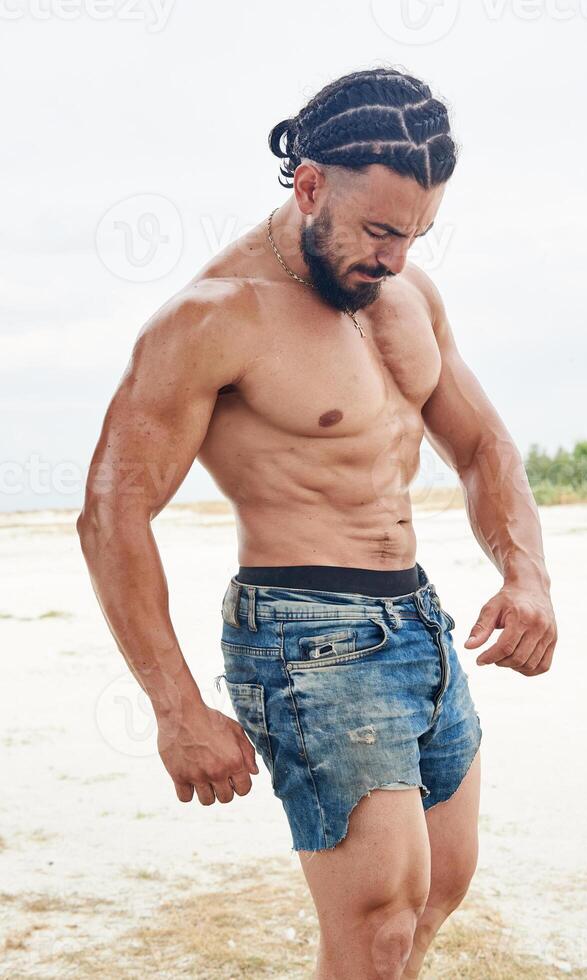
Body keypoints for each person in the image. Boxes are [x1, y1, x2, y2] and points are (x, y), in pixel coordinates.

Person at [77, 67, 557, 980]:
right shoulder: (213, 317)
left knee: (438, 892)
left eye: (415, 234)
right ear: (308, 187)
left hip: (417, 620)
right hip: (305, 635)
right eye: (379, 230)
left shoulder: (411, 298)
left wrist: (527, 574)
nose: (395, 259)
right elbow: (113, 512)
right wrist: (176, 708)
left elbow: (485, 444)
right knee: (377, 922)